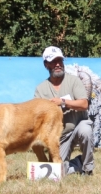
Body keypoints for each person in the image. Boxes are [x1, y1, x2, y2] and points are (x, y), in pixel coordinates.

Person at [34, 46, 94, 175]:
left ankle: (88, 168)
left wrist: (63, 102)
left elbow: (84, 104)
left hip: (78, 125)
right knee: (59, 172)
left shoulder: (74, 81)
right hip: (59, 137)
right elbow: (36, 115)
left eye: (60, 61)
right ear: (46, 65)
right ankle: (78, 163)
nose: (58, 64)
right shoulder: (41, 89)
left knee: (86, 130)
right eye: (53, 61)